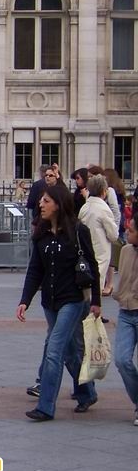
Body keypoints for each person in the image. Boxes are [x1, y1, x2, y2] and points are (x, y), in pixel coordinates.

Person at [16, 185, 100, 421]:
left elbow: (92, 265)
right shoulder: (41, 233)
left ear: (58, 204)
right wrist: (24, 300)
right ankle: (87, 392)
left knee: (54, 350)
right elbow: (35, 270)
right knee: (70, 353)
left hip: (72, 300)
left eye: (46, 201)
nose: (40, 204)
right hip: (49, 301)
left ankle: (45, 406)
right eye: (41, 201)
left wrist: (96, 301)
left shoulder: (78, 231)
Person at [113, 210, 138, 426]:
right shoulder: (126, 250)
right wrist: (119, 294)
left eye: (131, 229)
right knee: (122, 360)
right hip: (126, 311)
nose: (127, 230)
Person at [78, 175, 118, 307]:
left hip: (85, 250)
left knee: (86, 287)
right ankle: (93, 313)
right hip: (100, 251)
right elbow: (113, 235)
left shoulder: (85, 207)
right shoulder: (103, 209)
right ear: (103, 191)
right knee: (97, 284)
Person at [103, 168, 127, 295]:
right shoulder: (118, 190)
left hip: (114, 225)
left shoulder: (112, 192)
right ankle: (108, 282)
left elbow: (116, 211)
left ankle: (110, 283)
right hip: (116, 225)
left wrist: (115, 228)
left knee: (112, 254)